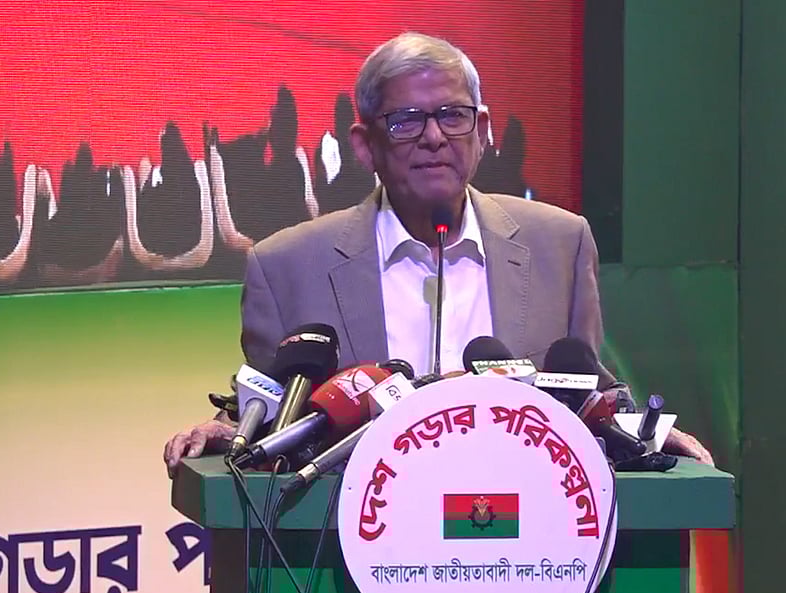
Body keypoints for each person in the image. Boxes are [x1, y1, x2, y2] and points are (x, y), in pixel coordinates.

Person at [164, 32, 712, 475]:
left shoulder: (559, 244)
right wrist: (229, 431)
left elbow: (589, 390)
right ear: (365, 146)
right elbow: (267, 407)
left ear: (483, 131)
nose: (434, 138)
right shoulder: (287, 266)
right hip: (357, 545)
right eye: (406, 121)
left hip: (527, 533)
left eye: (453, 115)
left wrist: (646, 432)